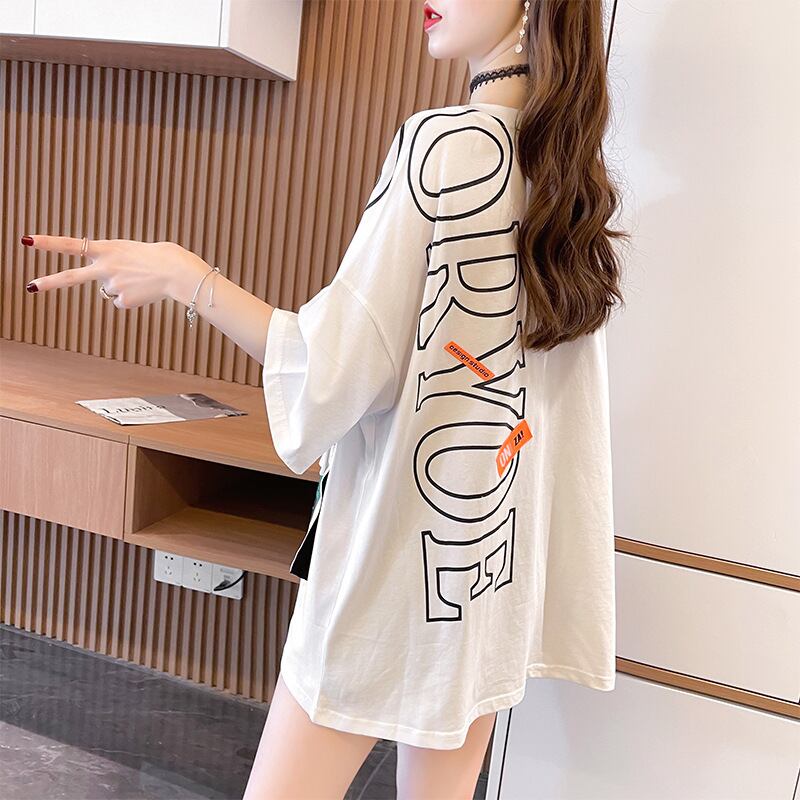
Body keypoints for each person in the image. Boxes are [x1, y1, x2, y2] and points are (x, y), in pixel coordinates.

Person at [21, 0, 628, 797]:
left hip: (395, 563)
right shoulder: (568, 174)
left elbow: (335, 366)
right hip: (488, 569)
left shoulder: (444, 145)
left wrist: (182, 275)